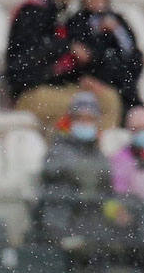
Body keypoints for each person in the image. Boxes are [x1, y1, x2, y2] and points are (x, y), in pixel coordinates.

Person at [5, 0, 121, 133]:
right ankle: (76, 151)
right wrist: (67, 46)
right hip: (31, 93)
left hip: (53, 88)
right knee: (83, 107)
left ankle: (99, 150)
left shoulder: (54, 17)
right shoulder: (31, 14)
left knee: (109, 99)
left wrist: (79, 79)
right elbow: (30, 62)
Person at [34, 91, 112, 252]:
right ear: (71, 120)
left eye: (90, 119)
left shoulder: (98, 153)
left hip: (92, 227)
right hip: (60, 225)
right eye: (80, 118)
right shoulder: (58, 147)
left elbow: (106, 178)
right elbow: (54, 171)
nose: (85, 123)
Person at [67, 0, 144, 113]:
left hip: (119, 70)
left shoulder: (116, 19)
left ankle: (131, 104)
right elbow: (84, 51)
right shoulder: (77, 21)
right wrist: (98, 32)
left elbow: (130, 47)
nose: (95, 1)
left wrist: (116, 30)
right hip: (95, 71)